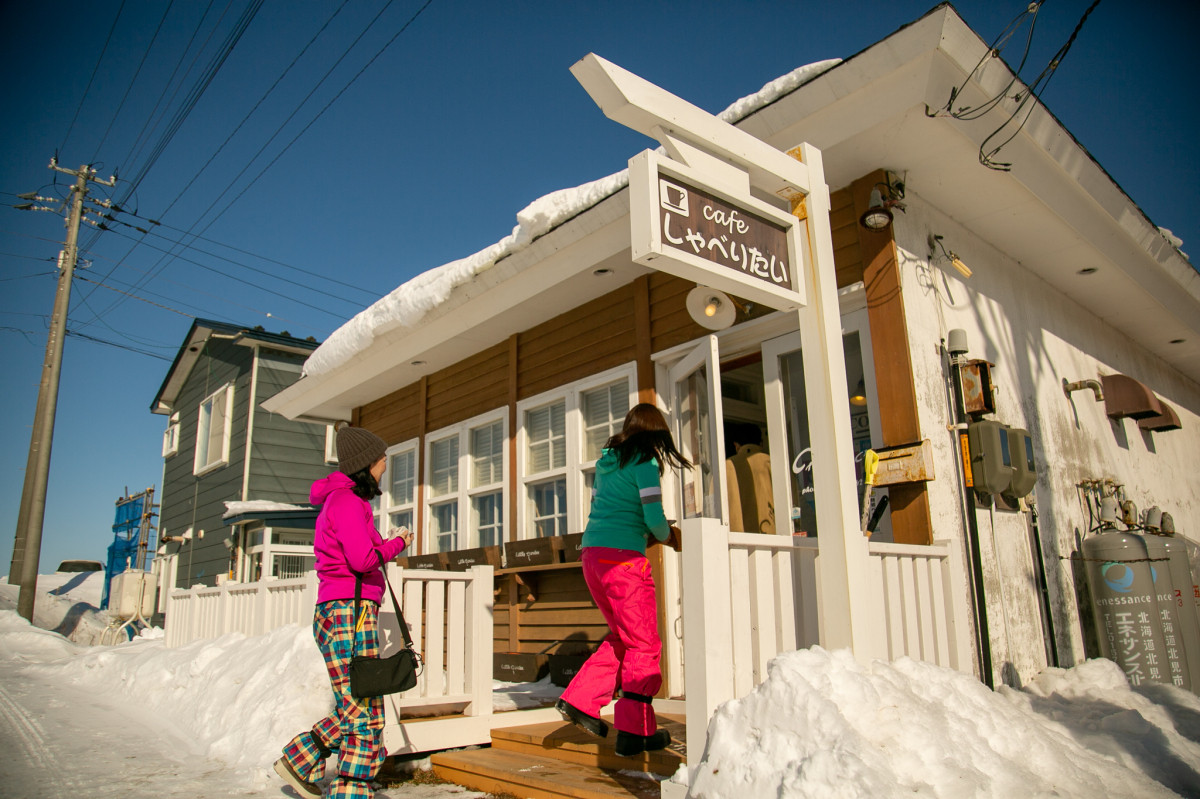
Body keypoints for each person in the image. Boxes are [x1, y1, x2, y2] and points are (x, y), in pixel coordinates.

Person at [274, 426, 414, 799]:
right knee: (363, 713)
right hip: (348, 613)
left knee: (360, 701)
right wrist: (397, 544)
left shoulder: (347, 503)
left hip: (346, 610)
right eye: (382, 458)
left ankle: (301, 759)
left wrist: (387, 543)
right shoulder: (349, 503)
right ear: (365, 464)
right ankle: (351, 791)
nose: (386, 463)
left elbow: (361, 552)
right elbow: (362, 559)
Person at [555, 403, 689, 757]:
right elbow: (655, 518)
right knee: (644, 644)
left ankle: (582, 701)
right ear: (653, 435)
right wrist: (672, 537)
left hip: (593, 556)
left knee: (625, 638)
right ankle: (635, 732)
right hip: (624, 561)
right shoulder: (643, 463)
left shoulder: (606, 463)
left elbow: (604, 508)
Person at [725, 421, 775, 535]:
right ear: (761, 443)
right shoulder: (772, 462)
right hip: (773, 536)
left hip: (738, 541)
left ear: (736, 445)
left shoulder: (727, 466)